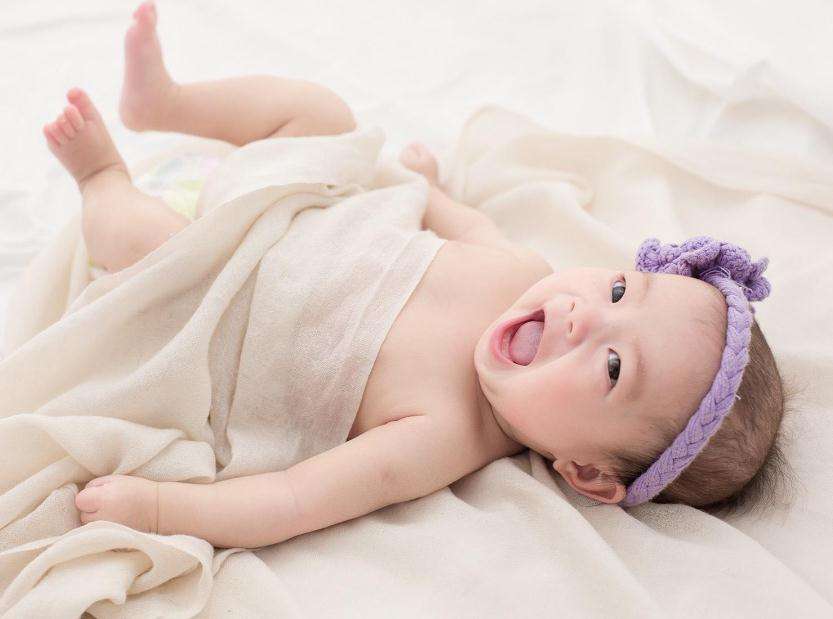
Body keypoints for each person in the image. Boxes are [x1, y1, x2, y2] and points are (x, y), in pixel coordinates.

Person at [52, 1, 786, 548]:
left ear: (586, 473)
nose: (584, 314)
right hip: (294, 202)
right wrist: (426, 186)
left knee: (142, 243)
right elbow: (465, 224)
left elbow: (292, 499)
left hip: (216, 286)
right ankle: (166, 104)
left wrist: (159, 509)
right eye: (620, 290)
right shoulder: (522, 270)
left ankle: (100, 177)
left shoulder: (446, 436)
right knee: (322, 112)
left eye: (614, 366)